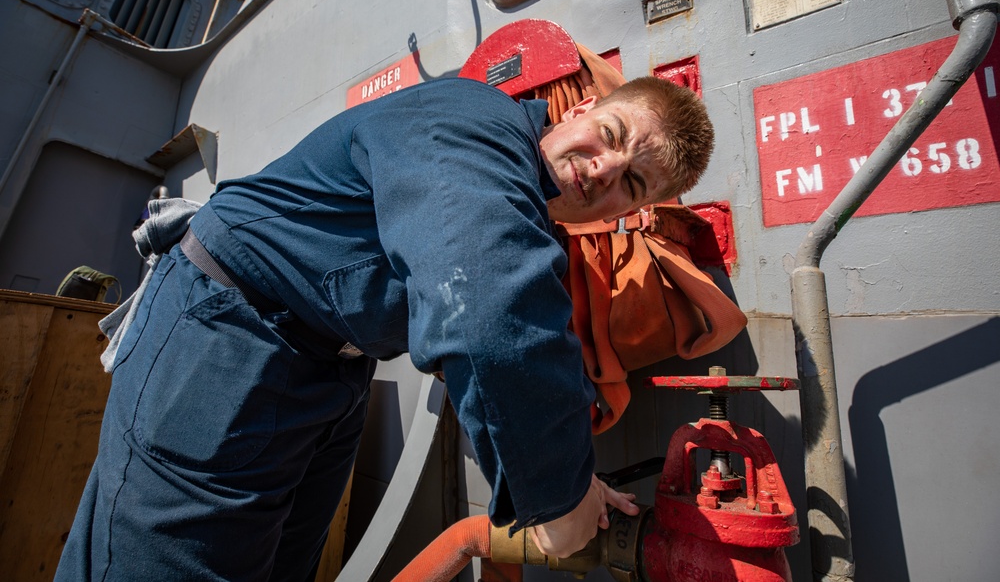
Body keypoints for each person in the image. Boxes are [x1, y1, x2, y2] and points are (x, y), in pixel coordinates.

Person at [56, 74, 714, 581]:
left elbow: (519, 297)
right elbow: (487, 309)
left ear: (630, 211)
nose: (602, 170)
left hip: (324, 369)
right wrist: (560, 495)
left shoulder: (522, 201)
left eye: (631, 183)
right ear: (578, 110)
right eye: (613, 135)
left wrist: (577, 480)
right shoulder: (474, 120)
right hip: (228, 336)